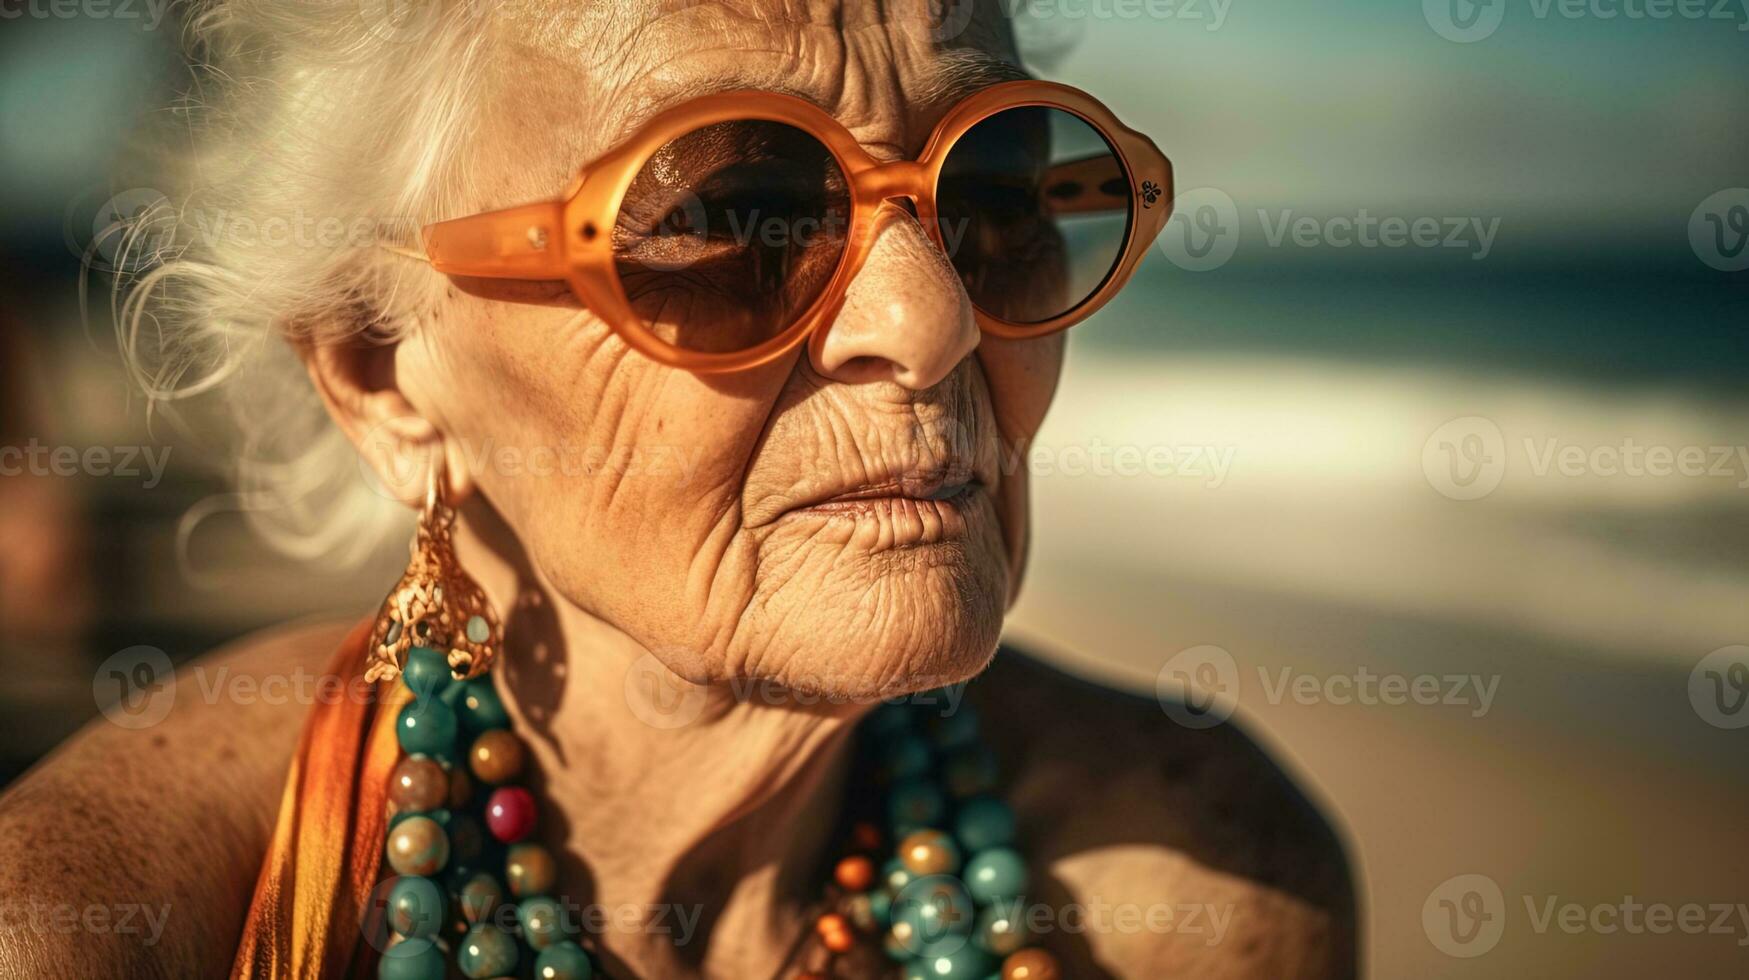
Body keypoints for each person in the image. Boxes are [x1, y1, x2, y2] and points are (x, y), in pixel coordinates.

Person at [0, 1, 1353, 976]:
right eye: (721, 218)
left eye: (990, 190)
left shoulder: (1192, 885)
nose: (928, 324)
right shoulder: (103, 927)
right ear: (381, 378)